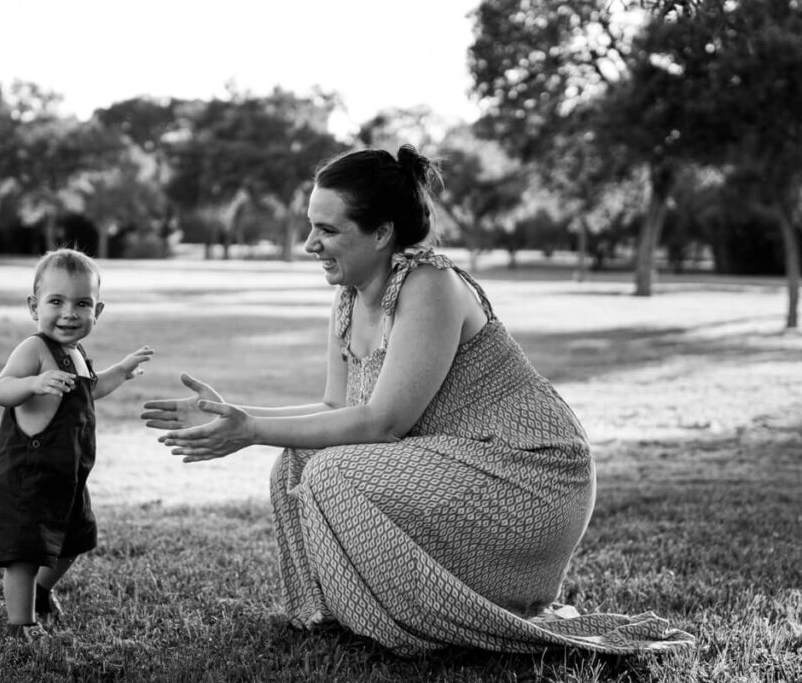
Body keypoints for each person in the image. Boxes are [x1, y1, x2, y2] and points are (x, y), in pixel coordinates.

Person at [141, 146, 694, 655]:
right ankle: (334, 615)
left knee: (334, 473)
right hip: (456, 461)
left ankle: (431, 623)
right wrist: (237, 417)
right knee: (295, 463)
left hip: (531, 474)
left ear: (381, 233)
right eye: (312, 227)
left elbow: (382, 423)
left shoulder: (429, 283)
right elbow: (337, 409)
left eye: (327, 230)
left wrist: (251, 431)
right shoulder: (348, 298)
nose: (310, 244)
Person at [0, 248, 153, 642]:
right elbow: (0, 389)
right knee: (25, 555)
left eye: (82, 304)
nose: (69, 313)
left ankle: (42, 593)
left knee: (74, 541)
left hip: (67, 478)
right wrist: (33, 383)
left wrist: (122, 371)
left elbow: (90, 391)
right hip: (28, 477)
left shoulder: (76, 354)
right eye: (56, 301)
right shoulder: (34, 350)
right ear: (34, 306)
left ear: (97, 310)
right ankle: (20, 625)